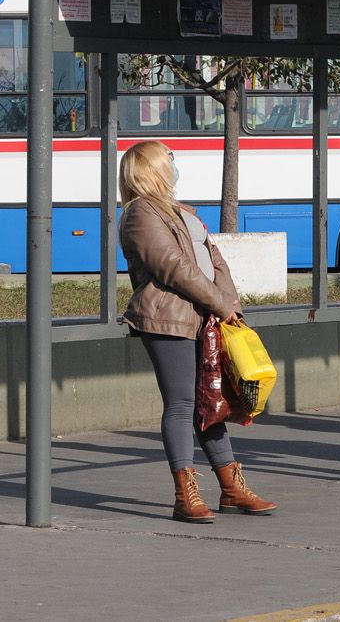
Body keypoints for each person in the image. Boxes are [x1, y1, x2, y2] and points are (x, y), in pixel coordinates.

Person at [117, 140, 275, 523]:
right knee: (183, 405)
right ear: (151, 167)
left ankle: (232, 488)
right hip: (169, 319)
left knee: (212, 403)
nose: (174, 163)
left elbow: (213, 257)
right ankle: (185, 494)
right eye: (168, 158)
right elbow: (173, 267)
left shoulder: (179, 210)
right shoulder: (140, 213)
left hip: (205, 317)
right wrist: (220, 304)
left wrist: (230, 303)